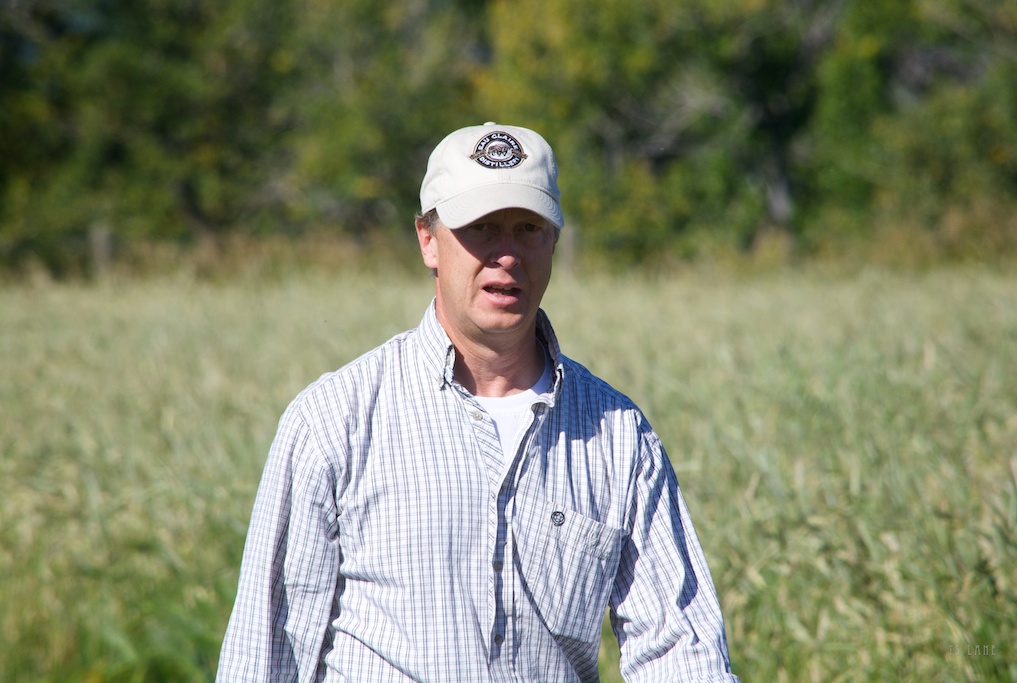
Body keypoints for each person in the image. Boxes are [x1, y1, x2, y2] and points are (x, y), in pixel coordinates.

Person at [216, 122, 739, 682]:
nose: (507, 254)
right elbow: (267, 653)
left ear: (554, 242)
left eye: (528, 228)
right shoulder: (334, 422)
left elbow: (680, 652)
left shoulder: (617, 435)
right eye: (481, 227)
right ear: (427, 240)